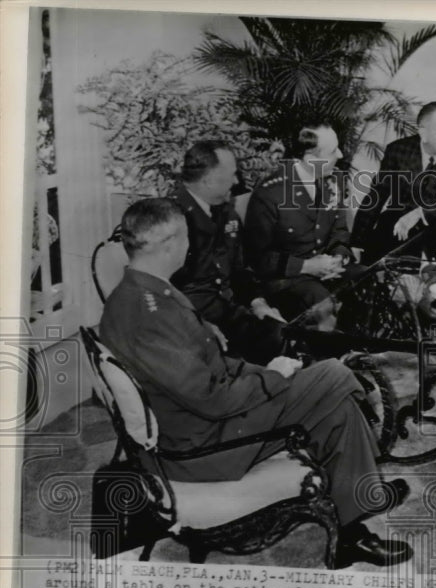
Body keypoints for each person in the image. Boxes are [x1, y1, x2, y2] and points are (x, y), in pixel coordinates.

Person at [100, 197, 412, 567]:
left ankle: (356, 521)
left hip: (201, 422)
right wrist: (274, 379)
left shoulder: (142, 292)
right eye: (186, 238)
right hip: (204, 443)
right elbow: (212, 398)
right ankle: (363, 497)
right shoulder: (149, 312)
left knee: (336, 404)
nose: (190, 245)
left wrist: (264, 372)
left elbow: (204, 372)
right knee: (336, 375)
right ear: (169, 243)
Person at [168, 140, 285, 365]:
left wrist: (259, 303)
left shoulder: (227, 214)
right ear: (209, 179)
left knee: (281, 334)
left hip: (229, 314)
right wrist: (200, 328)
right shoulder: (171, 218)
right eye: (231, 174)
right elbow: (163, 291)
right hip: (194, 324)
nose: (236, 181)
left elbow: (240, 271)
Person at [244, 124, 358, 319]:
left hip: (328, 271)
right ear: (312, 159)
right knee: (322, 303)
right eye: (333, 151)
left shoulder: (332, 182)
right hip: (286, 280)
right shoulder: (271, 193)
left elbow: (339, 231)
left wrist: (338, 257)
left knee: (369, 283)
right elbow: (256, 258)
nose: (340, 155)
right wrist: (306, 266)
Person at [350, 101, 436, 264]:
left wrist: (421, 212)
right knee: (372, 268)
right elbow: (377, 196)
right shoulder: (397, 151)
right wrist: (357, 242)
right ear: (423, 133)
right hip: (399, 229)